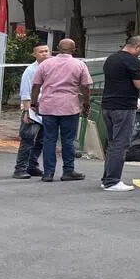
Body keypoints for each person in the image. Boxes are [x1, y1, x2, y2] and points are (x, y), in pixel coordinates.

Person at [30, 39, 93, 183]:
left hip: (48, 107)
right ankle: (68, 171)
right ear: (74, 50)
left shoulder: (45, 64)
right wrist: (86, 104)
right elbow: (86, 87)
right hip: (69, 107)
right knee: (68, 140)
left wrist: (33, 103)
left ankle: (48, 173)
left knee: (49, 140)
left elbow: (36, 85)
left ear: (57, 48)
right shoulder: (79, 64)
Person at [101, 36, 140, 191]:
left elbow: (122, 76)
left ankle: (106, 178)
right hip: (124, 106)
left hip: (108, 105)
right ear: (137, 46)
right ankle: (112, 181)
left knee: (112, 143)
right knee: (121, 143)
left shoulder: (111, 59)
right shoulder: (132, 60)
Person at [12, 43, 49, 179]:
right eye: (41, 51)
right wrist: (27, 112)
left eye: (46, 51)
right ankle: (20, 169)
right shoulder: (31, 70)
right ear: (34, 54)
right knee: (28, 140)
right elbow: (25, 92)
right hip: (32, 109)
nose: (44, 53)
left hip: (46, 109)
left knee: (41, 141)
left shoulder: (49, 68)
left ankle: (32, 166)